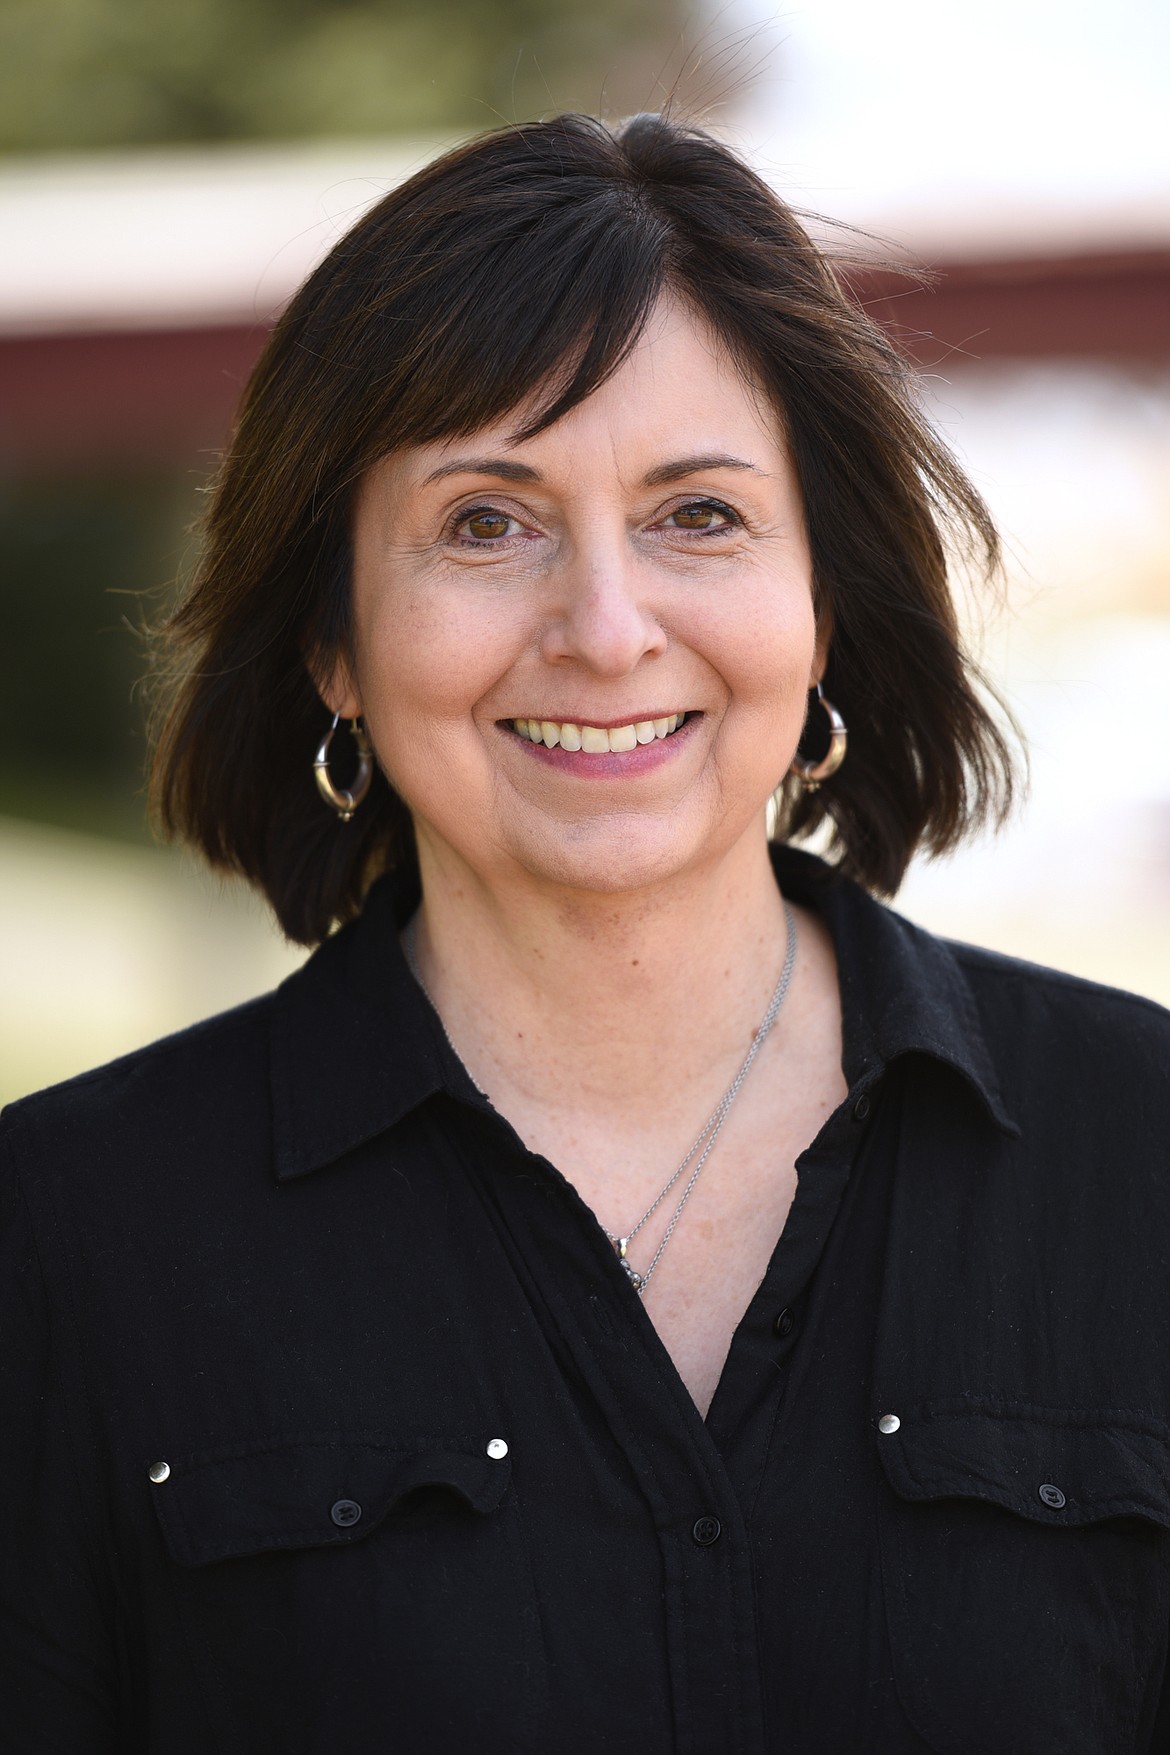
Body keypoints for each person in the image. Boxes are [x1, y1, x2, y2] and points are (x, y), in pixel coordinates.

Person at [2, 111, 1169, 1755]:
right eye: (486, 521)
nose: (606, 630)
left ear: (822, 600)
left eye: (699, 515)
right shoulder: (60, 1241)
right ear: (331, 640)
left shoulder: (1145, 1155)